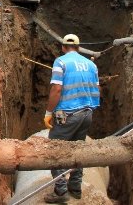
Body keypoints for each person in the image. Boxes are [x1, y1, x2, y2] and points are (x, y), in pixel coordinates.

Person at [42, 34, 100, 204]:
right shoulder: (91, 65)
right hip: (87, 113)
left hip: (68, 115)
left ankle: (61, 191)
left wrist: (48, 113)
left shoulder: (61, 62)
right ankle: (75, 187)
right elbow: (98, 89)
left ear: (63, 46)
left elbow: (56, 89)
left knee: (53, 150)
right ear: (78, 47)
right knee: (77, 150)